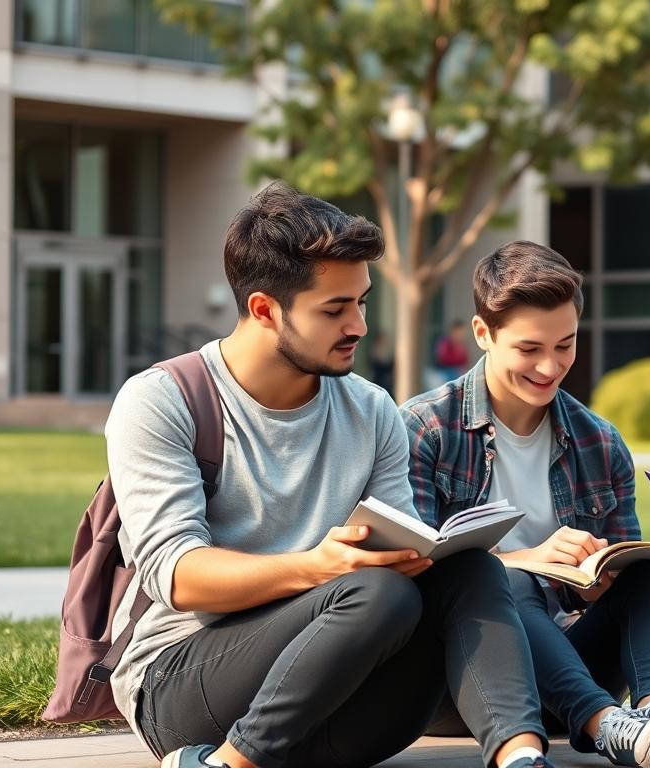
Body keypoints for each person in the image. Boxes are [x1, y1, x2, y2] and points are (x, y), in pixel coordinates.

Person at [106, 184, 553, 768]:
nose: (360, 326)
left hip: (337, 697)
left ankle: (521, 758)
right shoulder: (164, 400)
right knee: (376, 590)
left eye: (362, 303)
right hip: (184, 688)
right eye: (334, 309)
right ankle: (228, 764)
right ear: (265, 309)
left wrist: (424, 554)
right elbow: (176, 575)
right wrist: (320, 565)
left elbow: (403, 553)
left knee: (467, 570)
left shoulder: (371, 411)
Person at [401, 241, 650, 768]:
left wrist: (598, 577)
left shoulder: (600, 441)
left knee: (648, 572)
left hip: (573, 665)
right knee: (503, 581)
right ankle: (607, 726)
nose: (549, 366)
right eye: (528, 349)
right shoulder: (425, 429)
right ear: (482, 334)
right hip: (466, 681)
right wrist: (529, 559)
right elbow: (414, 570)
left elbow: (610, 567)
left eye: (566, 345)